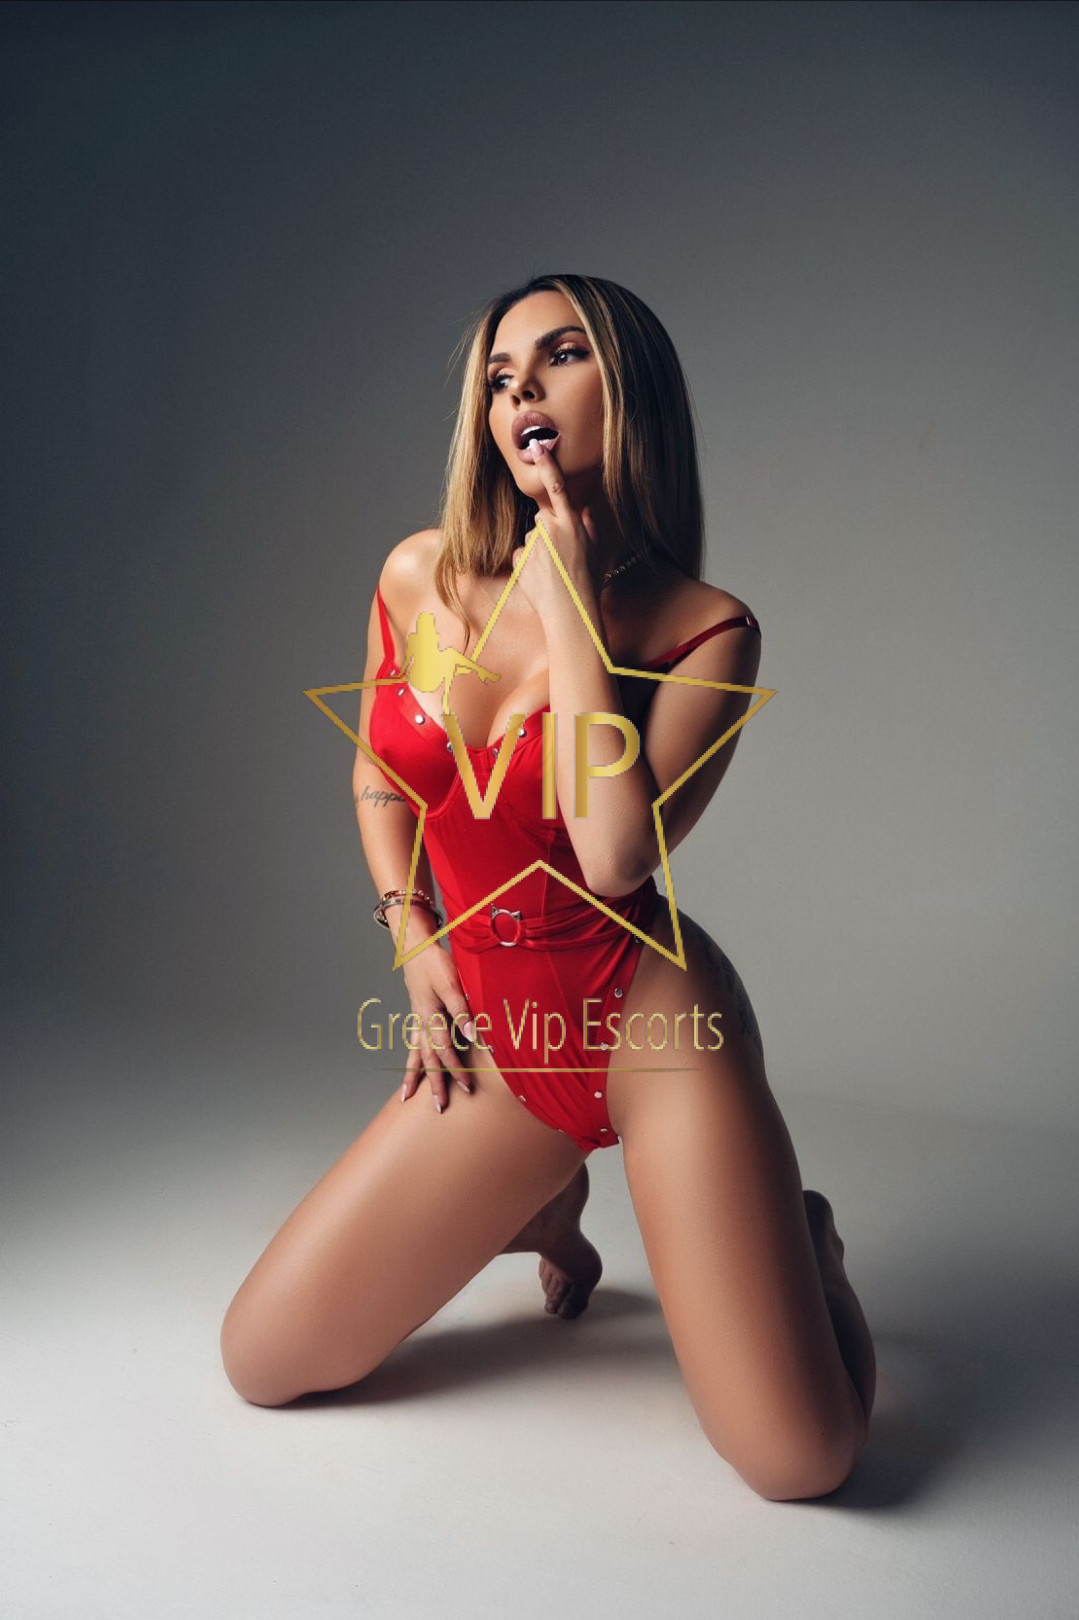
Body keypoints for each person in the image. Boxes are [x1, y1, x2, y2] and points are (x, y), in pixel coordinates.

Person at [220, 273, 876, 1502]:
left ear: (628, 396)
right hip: (499, 1037)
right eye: (497, 374)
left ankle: (807, 1242)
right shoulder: (417, 575)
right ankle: (539, 1199)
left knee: (803, 1461)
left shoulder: (703, 632)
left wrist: (567, 598)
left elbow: (613, 854)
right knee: (264, 1360)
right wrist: (413, 937)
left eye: (561, 355)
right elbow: (381, 774)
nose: (520, 386)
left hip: (651, 1031)